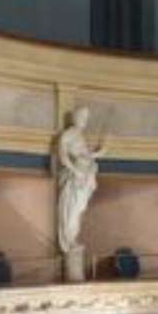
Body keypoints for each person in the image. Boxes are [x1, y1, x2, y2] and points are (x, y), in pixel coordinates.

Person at [55, 106, 101, 255]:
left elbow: (85, 155)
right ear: (75, 118)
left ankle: (72, 239)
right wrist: (76, 171)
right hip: (74, 178)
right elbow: (63, 156)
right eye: (82, 117)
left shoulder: (81, 136)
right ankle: (69, 240)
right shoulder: (68, 134)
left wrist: (98, 153)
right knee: (72, 210)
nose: (85, 120)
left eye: (86, 118)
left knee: (78, 210)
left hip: (84, 177)